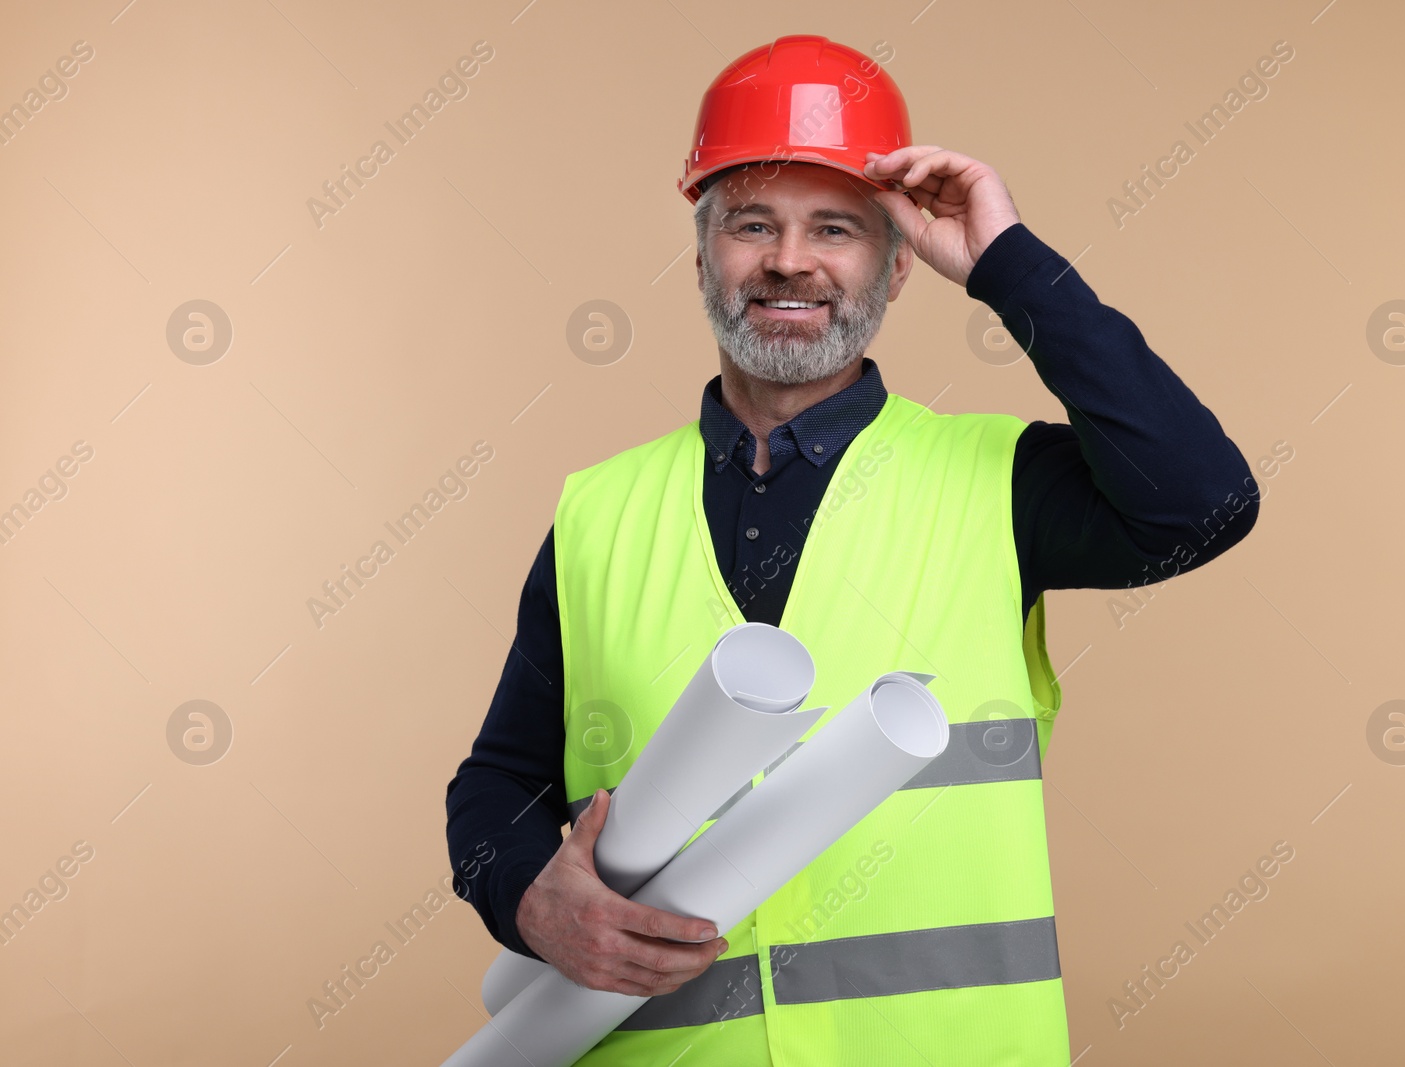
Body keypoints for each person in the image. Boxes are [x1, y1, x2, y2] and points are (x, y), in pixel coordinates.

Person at [446, 34, 1260, 1065]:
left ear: (899, 264)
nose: (790, 260)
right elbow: (496, 779)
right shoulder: (599, 512)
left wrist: (1010, 266)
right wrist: (527, 895)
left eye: (835, 227)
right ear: (702, 255)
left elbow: (1204, 500)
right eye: (752, 224)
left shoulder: (998, 484)